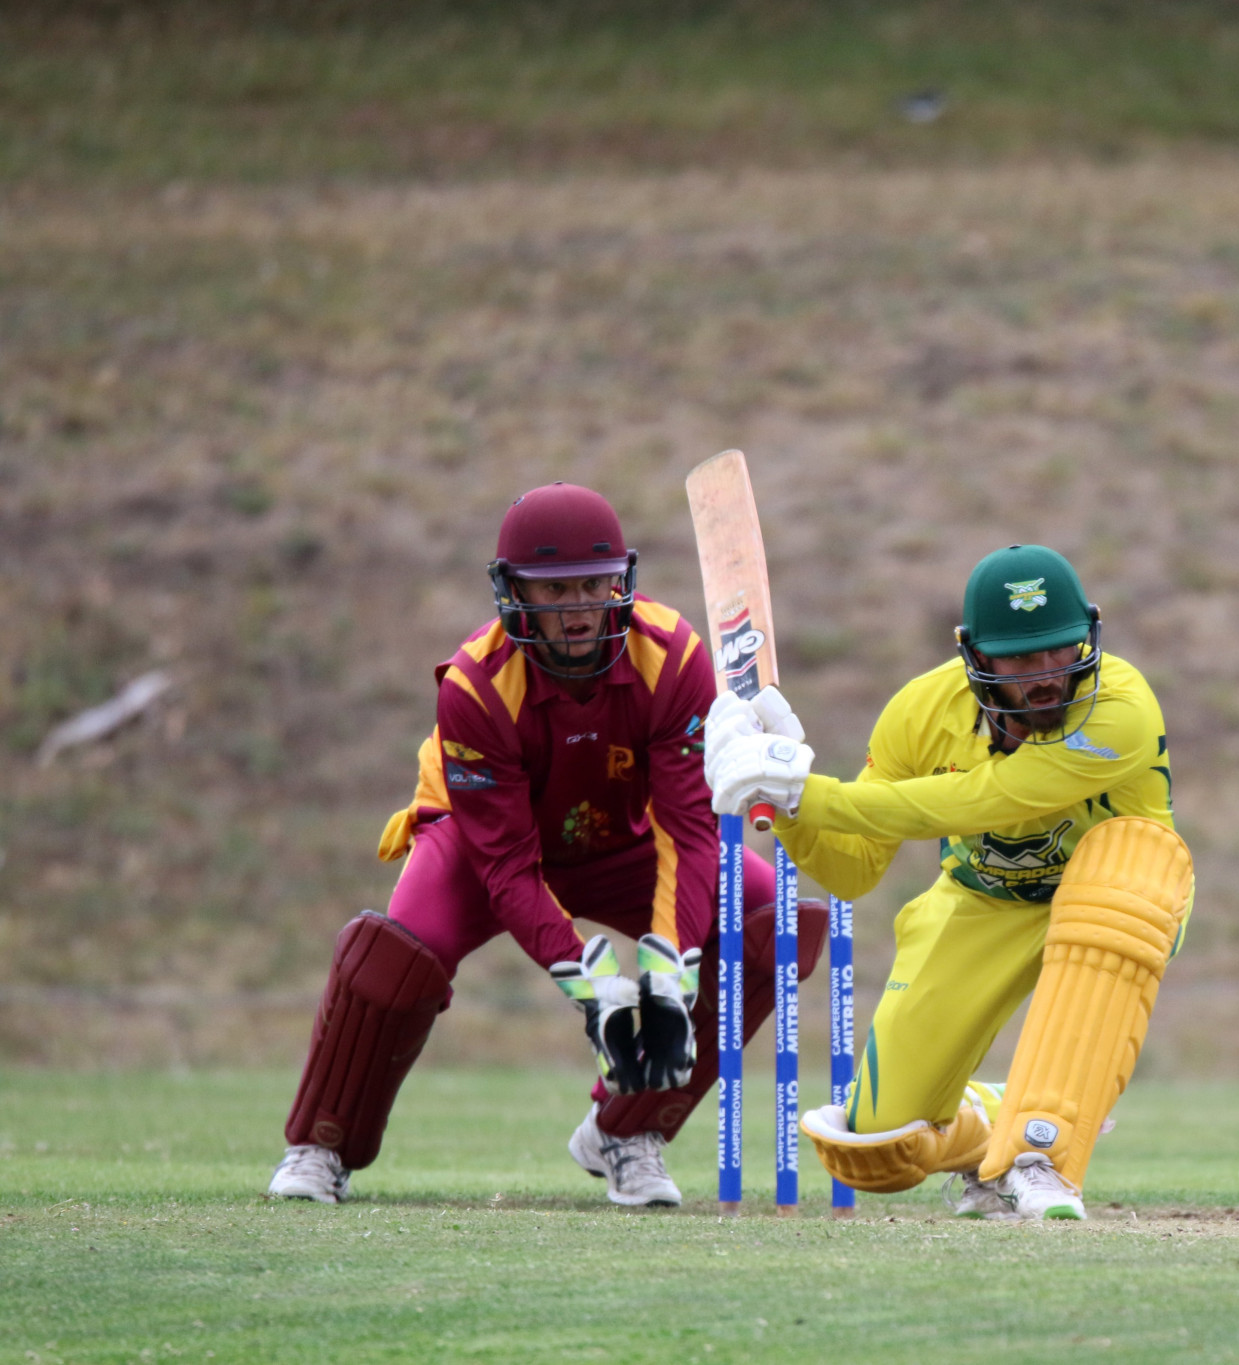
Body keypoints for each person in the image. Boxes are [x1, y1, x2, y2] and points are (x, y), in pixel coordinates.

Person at [266, 482, 823, 1207]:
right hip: (481, 848)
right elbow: (505, 864)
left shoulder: (674, 655)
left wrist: (667, 971)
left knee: (772, 921)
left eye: (594, 585)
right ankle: (321, 1143)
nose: (579, 608)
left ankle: (625, 1130)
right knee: (392, 960)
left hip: (624, 843)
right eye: (555, 590)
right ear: (514, 593)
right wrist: (593, 989)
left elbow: (690, 834)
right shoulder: (474, 682)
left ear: (621, 581)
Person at [704, 544, 1192, 1220]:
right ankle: (997, 1116)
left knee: (1121, 871)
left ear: (1089, 634)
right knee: (876, 1147)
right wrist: (783, 801)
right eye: (1021, 659)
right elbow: (853, 868)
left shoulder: (1120, 706)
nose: (1046, 674)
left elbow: (984, 801)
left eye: (1059, 649)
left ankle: (1039, 1153)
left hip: (1120, 889)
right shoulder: (918, 713)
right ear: (976, 655)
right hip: (982, 899)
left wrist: (810, 791)